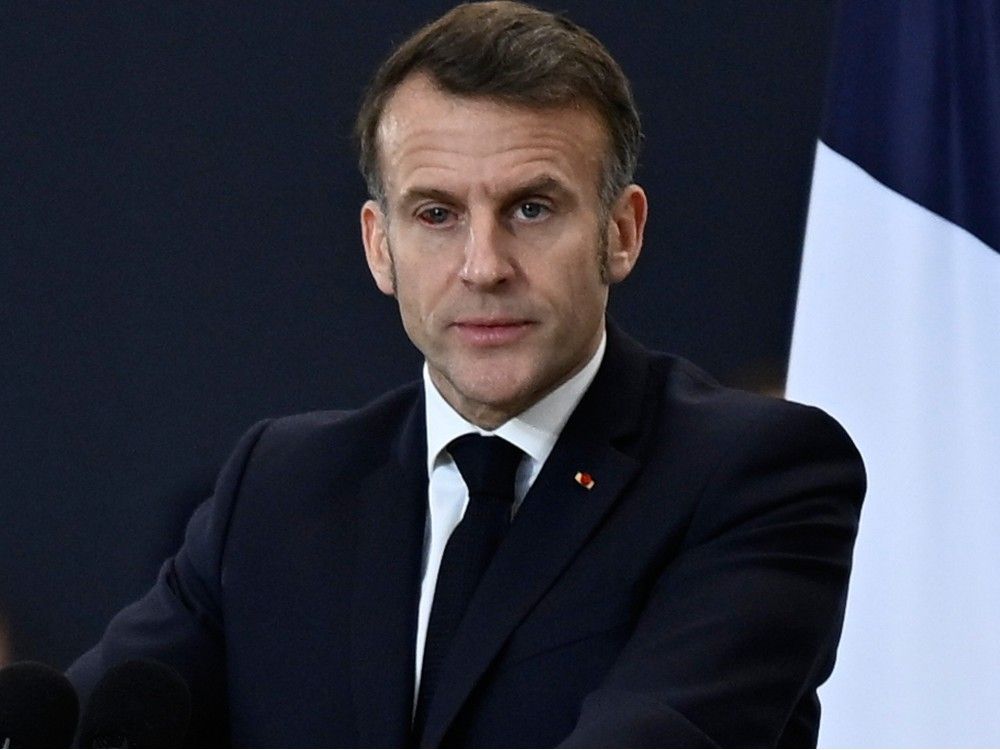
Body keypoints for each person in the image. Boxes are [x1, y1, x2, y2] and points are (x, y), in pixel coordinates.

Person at [68, 2, 865, 746]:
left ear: (621, 232)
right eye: (437, 215)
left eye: (531, 208)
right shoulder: (280, 488)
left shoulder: (756, 475)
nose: (482, 267)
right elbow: (81, 718)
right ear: (380, 247)